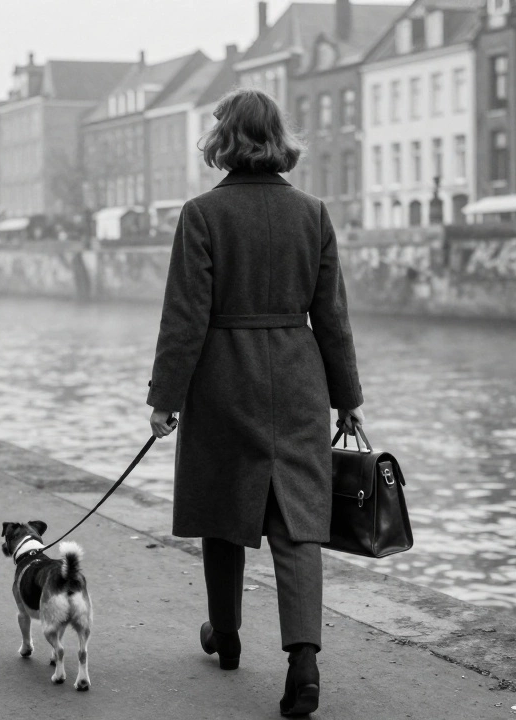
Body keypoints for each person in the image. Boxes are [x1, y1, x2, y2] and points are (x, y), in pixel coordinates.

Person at [145, 87, 365, 717]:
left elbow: (184, 318)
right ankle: (303, 662)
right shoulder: (313, 214)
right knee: (298, 522)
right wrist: (346, 398)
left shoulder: (201, 215)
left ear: (223, 140)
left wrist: (165, 398)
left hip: (223, 379)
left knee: (223, 506)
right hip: (298, 381)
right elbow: (333, 319)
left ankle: (227, 633)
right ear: (278, 139)